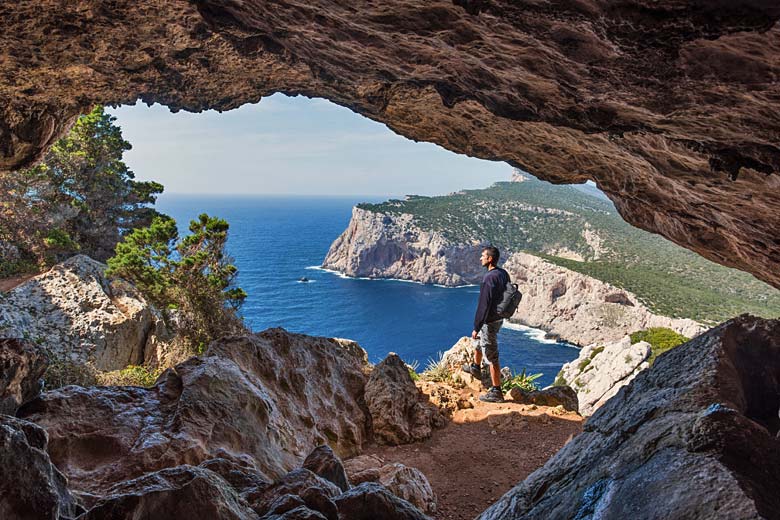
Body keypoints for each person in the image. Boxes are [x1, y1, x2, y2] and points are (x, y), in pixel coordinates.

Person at [463, 245, 509, 403]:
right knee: (479, 343)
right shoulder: (503, 273)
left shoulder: (489, 278)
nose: (480, 258)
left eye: (483, 256)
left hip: (489, 321)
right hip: (498, 318)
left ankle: (497, 391)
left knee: (491, 355)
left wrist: (476, 327)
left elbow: (484, 305)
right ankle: (475, 367)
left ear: (490, 259)